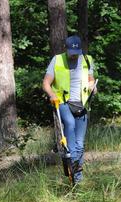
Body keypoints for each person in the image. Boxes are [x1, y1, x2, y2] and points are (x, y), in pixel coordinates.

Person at [42, 35, 96, 184]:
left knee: (80, 143)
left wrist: (93, 87)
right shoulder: (57, 60)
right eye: (72, 53)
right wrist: (52, 95)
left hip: (82, 104)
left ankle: (76, 178)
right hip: (64, 103)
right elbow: (46, 83)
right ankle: (70, 165)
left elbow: (91, 79)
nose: (74, 56)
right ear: (66, 49)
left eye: (77, 52)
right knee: (70, 126)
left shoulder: (87, 60)